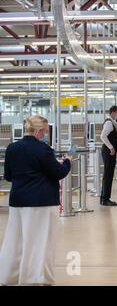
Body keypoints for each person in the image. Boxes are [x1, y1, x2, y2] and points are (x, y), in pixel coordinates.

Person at [0, 115, 71, 285]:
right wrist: (67, 162)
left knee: (15, 242)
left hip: (17, 201)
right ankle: (34, 278)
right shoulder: (43, 149)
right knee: (39, 242)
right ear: (39, 131)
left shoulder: (11, 148)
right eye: (45, 132)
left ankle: (9, 277)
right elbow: (59, 172)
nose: (45, 135)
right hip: (41, 202)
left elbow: (8, 176)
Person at [100, 105, 117, 206]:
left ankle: (103, 197)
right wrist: (111, 147)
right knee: (108, 175)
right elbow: (103, 136)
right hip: (109, 152)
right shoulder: (108, 122)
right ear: (112, 112)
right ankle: (105, 199)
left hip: (109, 152)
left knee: (107, 175)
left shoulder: (111, 122)